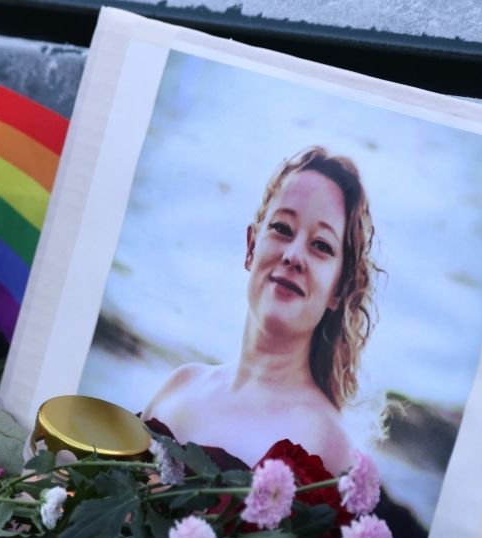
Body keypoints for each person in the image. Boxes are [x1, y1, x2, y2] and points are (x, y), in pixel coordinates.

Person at [143, 147, 378, 473]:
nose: (294, 256)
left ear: (338, 289)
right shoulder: (180, 385)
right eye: (282, 228)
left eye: (321, 245)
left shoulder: (329, 442)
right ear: (251, 247)